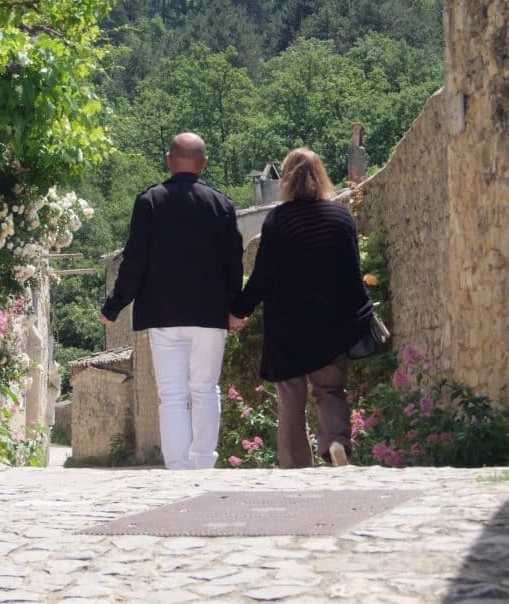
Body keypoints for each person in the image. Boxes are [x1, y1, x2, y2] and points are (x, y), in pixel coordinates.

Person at [100, 132, 244, 469]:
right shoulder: (222, 205)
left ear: (168, 161)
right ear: (204, 164)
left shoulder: (150, 201)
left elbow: (134, 260)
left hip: (162, 315)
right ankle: (203, 462)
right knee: (206, 389)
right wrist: (235, 309)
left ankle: (178, 465)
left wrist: (114, 305)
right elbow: (234, 261)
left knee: (172, 396)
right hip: (210, 315)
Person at [229, 147, 369, 469]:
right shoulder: (340, 217)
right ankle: (336, 442)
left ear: (287, 180)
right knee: (330, 390)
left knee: (291, 401)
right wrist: (360, 315)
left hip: (287, 330)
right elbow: (352, 274)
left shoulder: (278, 221)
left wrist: (239, 310)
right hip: (330, 326)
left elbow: (262, 278)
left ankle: (294, 466)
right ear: (321, 176)